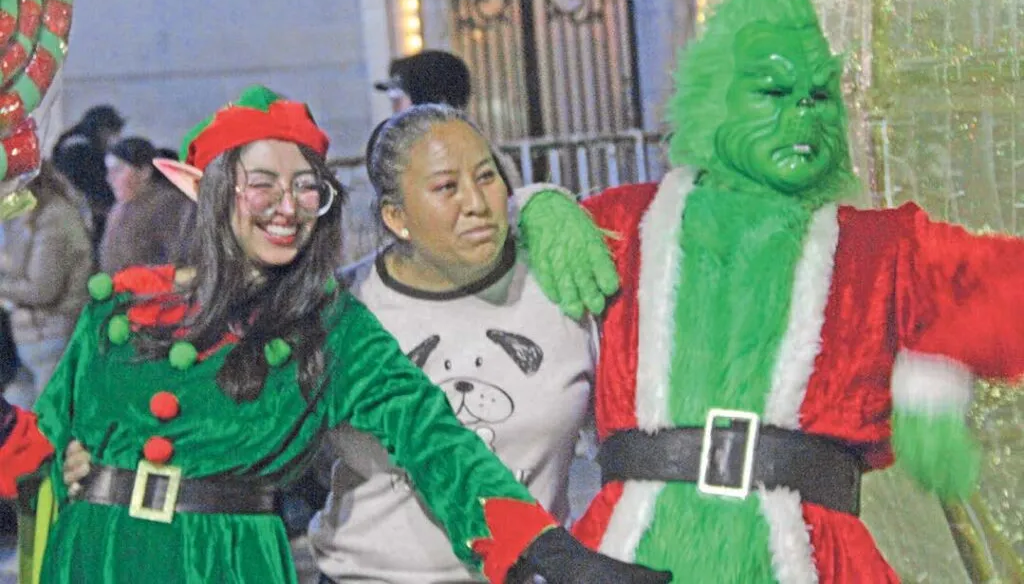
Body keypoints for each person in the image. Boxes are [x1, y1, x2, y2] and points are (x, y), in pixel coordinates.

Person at [0, 85, 669, 584]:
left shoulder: (330, 324)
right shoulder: (120, 304)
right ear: (206, 189)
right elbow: (45, 442)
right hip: (95, 552)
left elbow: (435, 440)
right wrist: (37, 445)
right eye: (262, 185)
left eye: (305, 188)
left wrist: (554, 554)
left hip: (229, 563)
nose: (287, 207)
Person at [526, 0, 1024, 582]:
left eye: (819, 97)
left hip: (815, 555)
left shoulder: (881, 246)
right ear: (715, 99)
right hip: (634, 549)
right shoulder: (625, 221)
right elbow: (471, 267)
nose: (804, 118)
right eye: (773, 93)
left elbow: (1011, 280)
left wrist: (937, 366)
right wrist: (534, 206)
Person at [307, 104, 597, 583]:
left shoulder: (563, 287)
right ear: (396, 216)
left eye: (487, 177)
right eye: (446, 187)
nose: (477, 203)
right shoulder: (345, 310)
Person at [0, 161, 92, 410]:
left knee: (49, 424)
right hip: (31, 338)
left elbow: (42, 289)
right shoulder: (26, 216)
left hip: (54, 335)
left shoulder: (55, 218)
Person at [374, 50, 523, 189]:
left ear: (430, 99)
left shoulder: (459, 153)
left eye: (398, 99)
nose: (395, 110)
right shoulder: (478, 147)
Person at [98, 137, 196, 273]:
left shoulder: (170, 205)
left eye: (118, 170)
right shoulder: (119, 208)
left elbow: (181, 261)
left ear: (144, 172)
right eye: (108, 171)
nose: (109, 178)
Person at [52, 105, 125, 251]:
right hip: (86, 216)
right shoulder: (81, 152)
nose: (114, 140)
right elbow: (96, 187)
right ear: (101, 130)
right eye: (112, 133)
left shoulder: (68, 144)